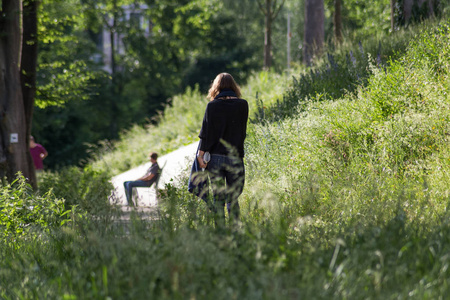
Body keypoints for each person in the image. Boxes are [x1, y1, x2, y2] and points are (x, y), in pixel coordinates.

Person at [197, 72, 249, 226]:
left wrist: (200, 157)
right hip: (235, 157)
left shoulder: (212, 106)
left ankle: (220, 234)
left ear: (216, 87)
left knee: (218, 198)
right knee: (233, 197)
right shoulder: (243, 105)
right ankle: (235, 233)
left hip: (215, 158)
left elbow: (206, 134)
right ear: (234, 87)